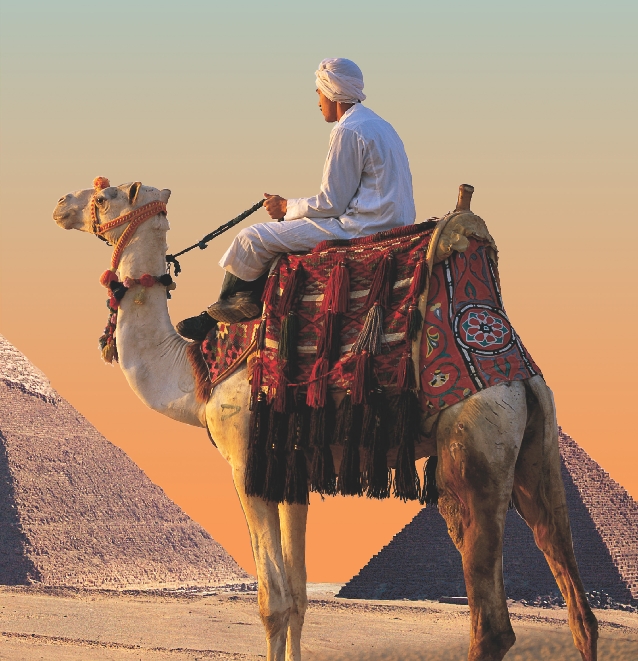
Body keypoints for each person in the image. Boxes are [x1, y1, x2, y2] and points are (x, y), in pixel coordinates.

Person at [177, 57, 416, 341]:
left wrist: (285, 207)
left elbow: (331, 203)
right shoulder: (381, 125)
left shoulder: (347, 131)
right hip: (386, 222)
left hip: (359, 228)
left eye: (318, 91)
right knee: (267, 236)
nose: (317, 100)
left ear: (331, 91)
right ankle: (241, 302)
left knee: (252, 237)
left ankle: (216, 315)